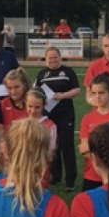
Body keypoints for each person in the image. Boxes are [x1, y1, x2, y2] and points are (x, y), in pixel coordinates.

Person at [35, 47, 81, 191]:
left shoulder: (68, 72)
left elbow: (77, 90)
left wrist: (62, 96)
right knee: (51, 145)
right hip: (47, 114)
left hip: (65, 114)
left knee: (66, 145)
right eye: (50, 58)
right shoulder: (42, 74)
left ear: (60, 57)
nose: (53, 60)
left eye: (55, 57)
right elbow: (36, 92)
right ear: (45, 58)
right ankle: (55, 175)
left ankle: (70, 179)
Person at [79, 73, 109, 192]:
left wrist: (95, 151)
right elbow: (84, 148)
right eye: (94, 93)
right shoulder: (87, 118)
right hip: (91, 175)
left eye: (101, 93)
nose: (97, 97)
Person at [0, 68, 32, 135]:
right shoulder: (2, 105)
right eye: (9, 88)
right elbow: (0, 134)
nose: (13, 91)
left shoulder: (32, 104)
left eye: (17, 87)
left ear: (24, 85)